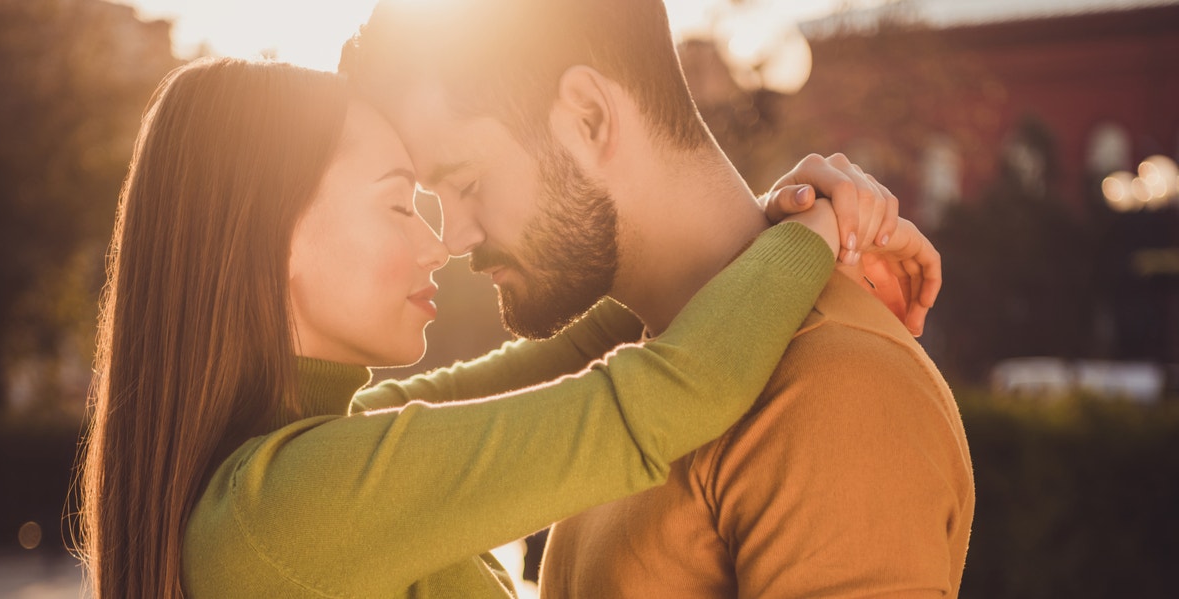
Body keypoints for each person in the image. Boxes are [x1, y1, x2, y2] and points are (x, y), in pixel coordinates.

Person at [74, 56, 922, 599]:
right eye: (402, 202)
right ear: (265, 237)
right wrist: (818, 232)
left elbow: (579, 358)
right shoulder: (290, 503)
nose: (442, 243)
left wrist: (768, 224)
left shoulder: (306, 461)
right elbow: (658, 397)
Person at [341, 0, 974, 597]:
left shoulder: (839, 387)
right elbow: (356, 442)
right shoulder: (653, 359)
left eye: (466, 181)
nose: (452, 238)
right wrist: (787, 237)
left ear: (589, 115)